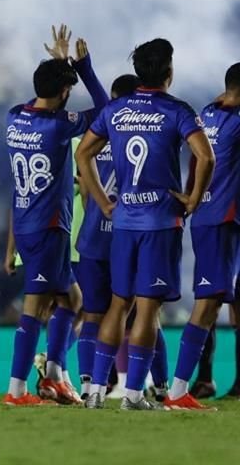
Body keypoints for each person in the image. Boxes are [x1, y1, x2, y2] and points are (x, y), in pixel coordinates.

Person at [76, 38, 214, 411]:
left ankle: (93, 392)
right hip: (159, 223)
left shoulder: (117, 110)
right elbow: (206, 156)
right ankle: (134, 394)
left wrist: (103, 201)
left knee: (117, 305)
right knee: (148, 309)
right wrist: (194, 198)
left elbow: (82, 153)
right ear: (168, 72)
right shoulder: (176, 110)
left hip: (123, 223)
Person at [2, 27, 108, 406]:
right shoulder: (60, 127)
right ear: (65, 92)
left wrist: (61, 66)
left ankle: (52, 377)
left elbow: (47, 95)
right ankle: (17, 390)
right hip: (49, 227)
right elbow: (105, 109)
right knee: (36, 308)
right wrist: (83, 68)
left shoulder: (15, 117)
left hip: (28, 224)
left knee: (71, 301)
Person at [164, 63, 240, 410]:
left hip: (214, 216)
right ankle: (180, 390)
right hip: (220, 217)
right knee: (208, 303)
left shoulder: (209, 112)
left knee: (222, 300)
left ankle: (203, 382)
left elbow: (198, 159)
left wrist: (192, 193)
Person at [74, 74, 142, 400]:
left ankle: (90, 386)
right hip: (127, 235)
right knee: (136, 311)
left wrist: (99, 208)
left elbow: (86, 190)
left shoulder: (95, 135)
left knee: (92, 313)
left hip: (92, 236)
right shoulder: (137, 135)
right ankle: (147, 386)